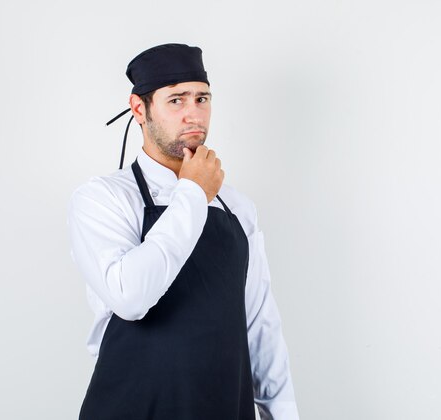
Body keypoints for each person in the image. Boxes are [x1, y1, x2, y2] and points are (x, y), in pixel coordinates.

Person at [68, 43, 299, 420]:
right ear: (139, 109)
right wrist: (193, 193)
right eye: (176, 100)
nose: (194, 114)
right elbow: (130, 297)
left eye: (202, 98)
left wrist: (282, 415)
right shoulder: (103, 198)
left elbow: (260, 326)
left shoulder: (238, 208)